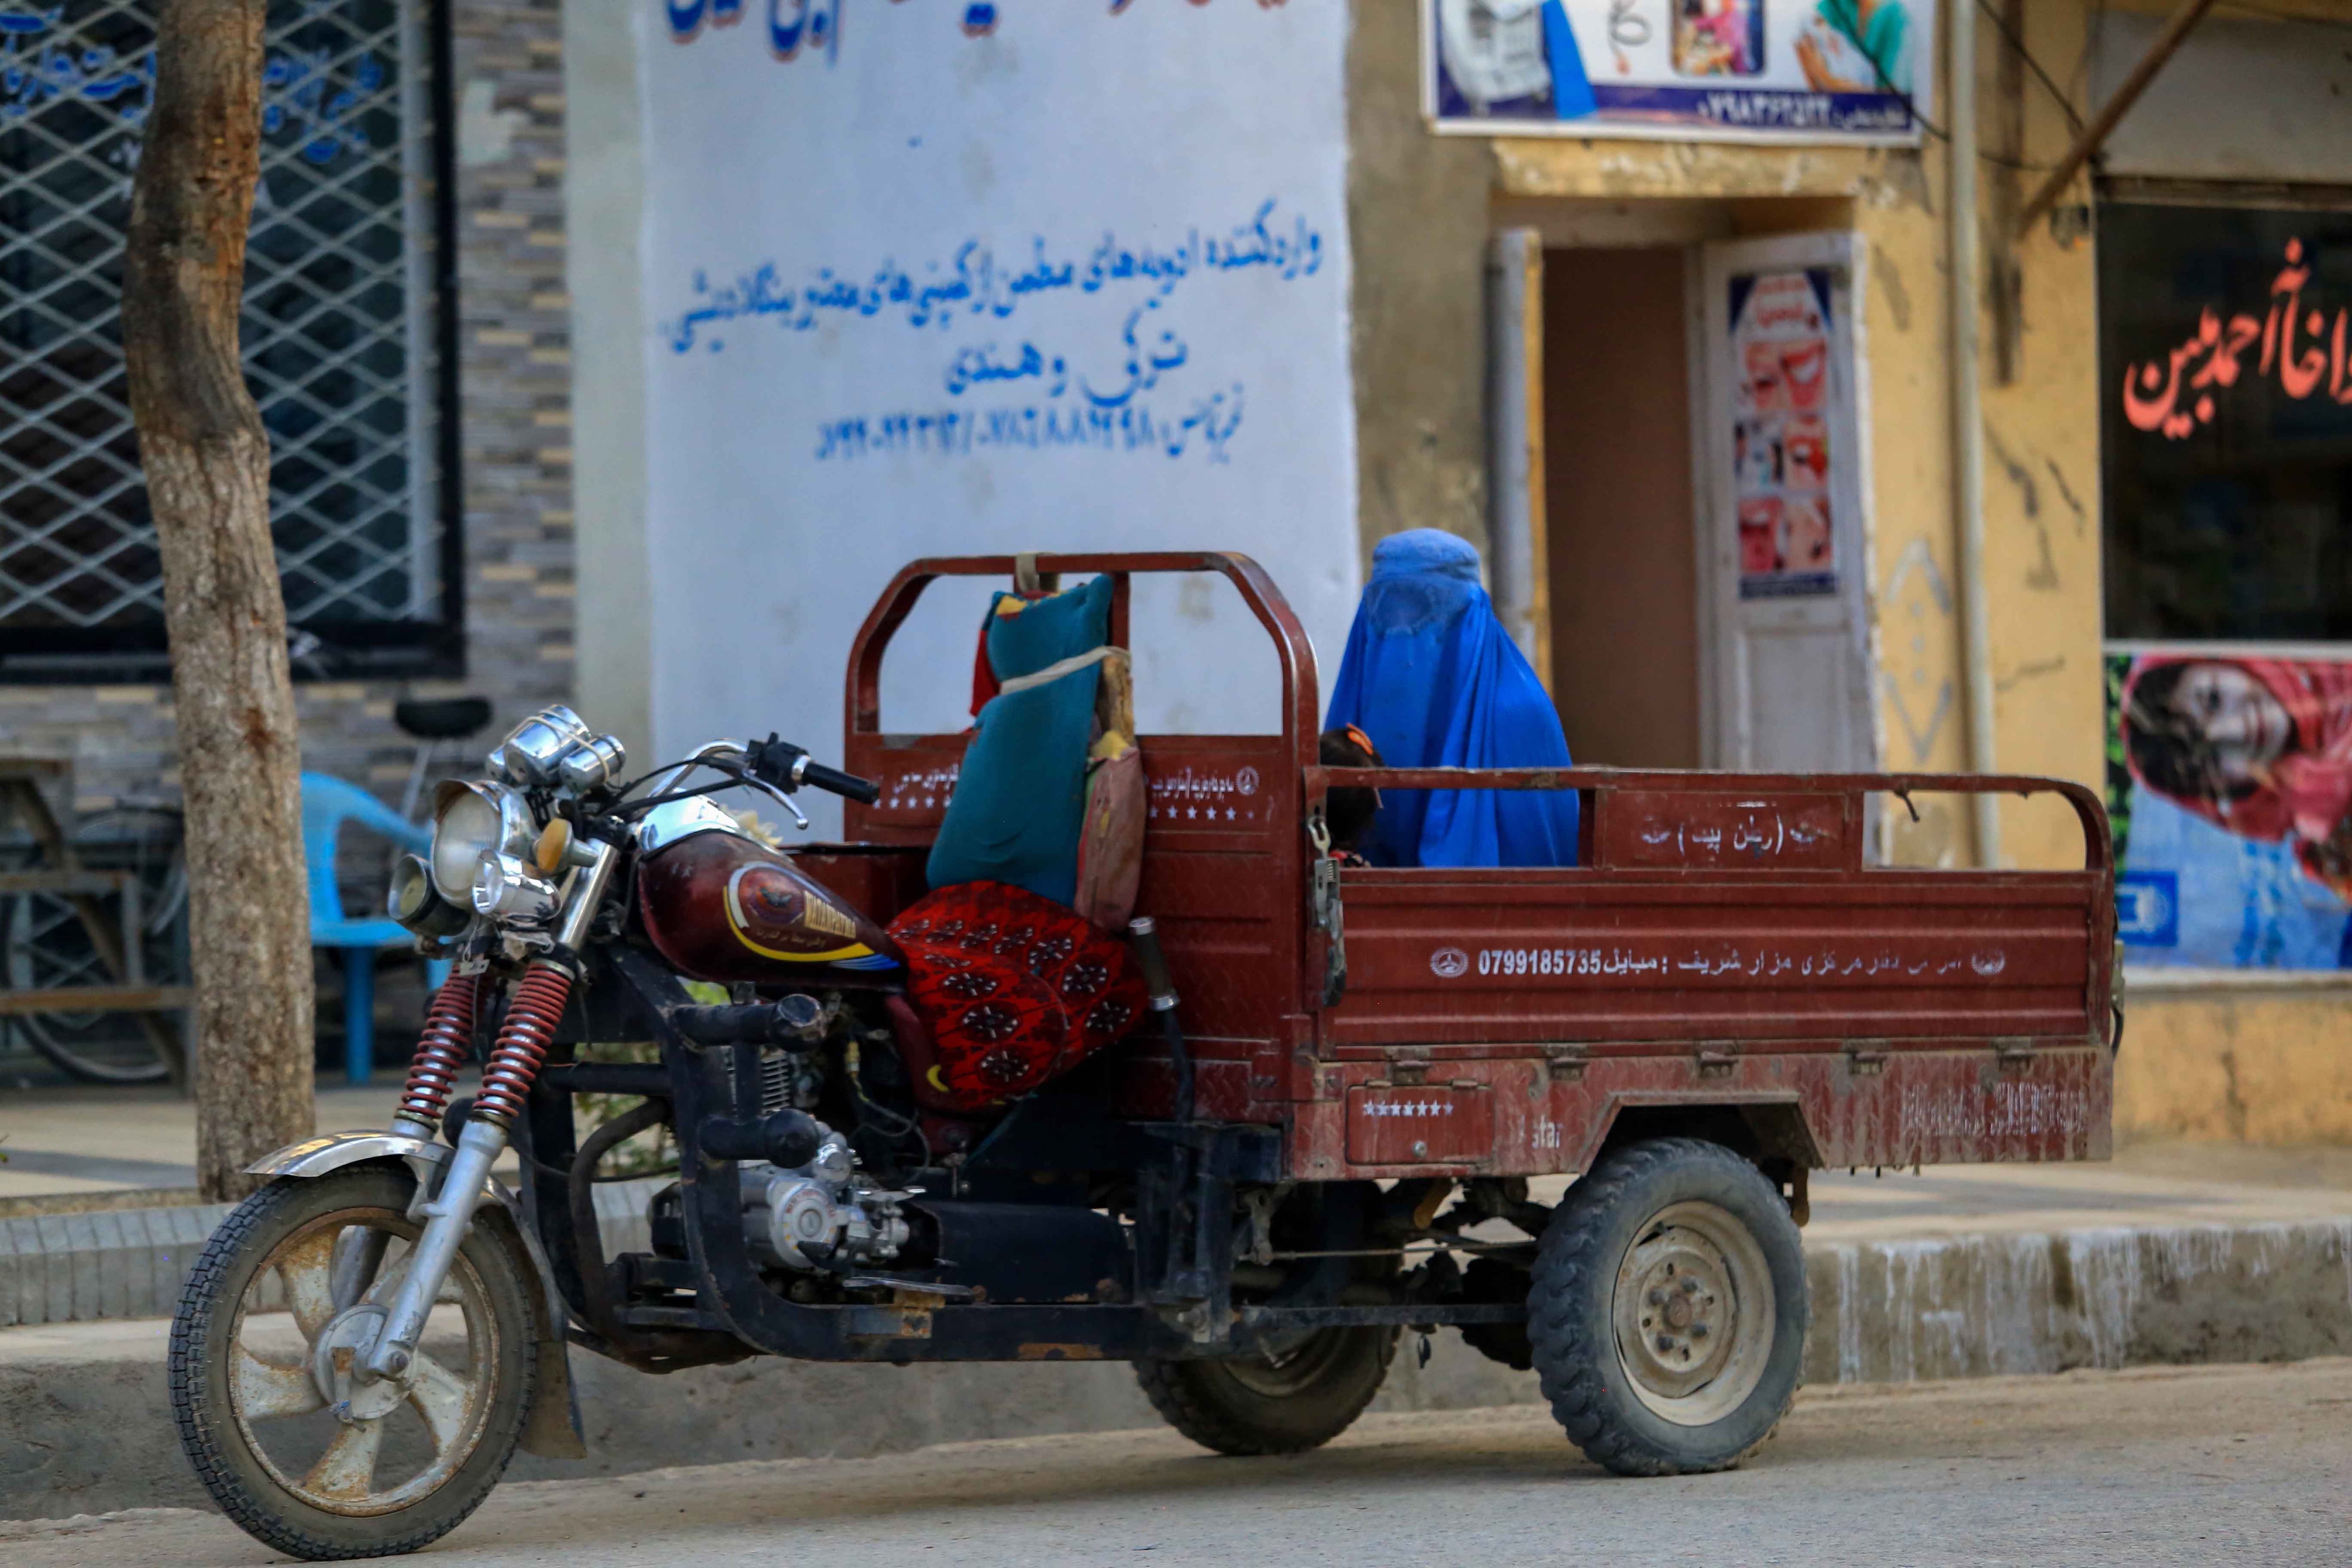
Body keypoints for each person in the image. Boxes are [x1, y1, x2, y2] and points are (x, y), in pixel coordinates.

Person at [1323, 530, 1579, 868]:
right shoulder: (1359, 695)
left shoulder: (1518, 714)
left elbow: (1543, 871)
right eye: (1388, 614)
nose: (1403, 635)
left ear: (1471, 615)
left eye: (1425, 614)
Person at [2120, 655, 2352, 897]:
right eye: (2212, 761)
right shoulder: (2335, 855)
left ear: (2226, 658)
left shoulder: (2325, 635)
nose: (2237, 730)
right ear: (2227, 791)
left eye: (2213, 700)